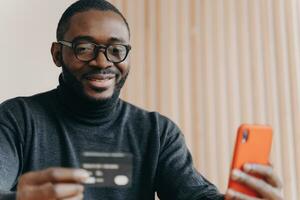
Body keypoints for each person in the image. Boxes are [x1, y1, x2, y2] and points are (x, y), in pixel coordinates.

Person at [0, 0, 283, 200]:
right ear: (57, 54)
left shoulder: (157, 132)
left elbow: (194, 195)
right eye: (84, 48)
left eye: (116, 49)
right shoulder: (16, 119)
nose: (102, 62)